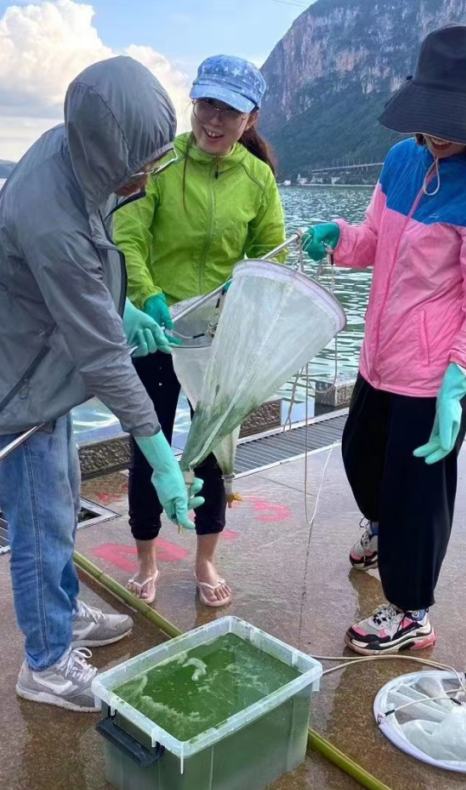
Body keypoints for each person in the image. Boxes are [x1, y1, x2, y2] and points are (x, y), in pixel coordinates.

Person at [0, 56, 203, 711]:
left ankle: (59, 613)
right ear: (106, 154)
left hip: (39, 359)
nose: (148, 174)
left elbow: (72, 272)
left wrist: (113, 307)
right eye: (141, 165)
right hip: (16, 383)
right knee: (41, 525)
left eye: (154, 159)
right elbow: (104, 364)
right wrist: (163, 461)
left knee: (59, 505)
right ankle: (46, 660)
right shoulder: (53, 216)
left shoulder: (71, 146)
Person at [302, 25, 466, 655]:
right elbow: (374, 240)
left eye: (457, 117)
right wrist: (338, 239)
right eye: (434, 114)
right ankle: (383, 528)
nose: (442, 129)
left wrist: (462, 378)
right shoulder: (402, 161)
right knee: (359, 456)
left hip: (436, 377)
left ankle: (410, 612)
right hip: (382, 357)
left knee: (419, 492)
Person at [113, 55, 286, 608]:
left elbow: (268, 255)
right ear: (193, 101)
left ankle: (206, 558)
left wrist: (249, 290)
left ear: (250, 119)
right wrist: (147, 295)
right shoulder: (159, 166)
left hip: (218, 337)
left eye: (228, 111)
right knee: (150, 443)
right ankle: (146, 558)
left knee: (212, 450)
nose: (214, 120)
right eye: (206, 104)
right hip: (156, 331)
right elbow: (127, 237)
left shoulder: (257, 180)